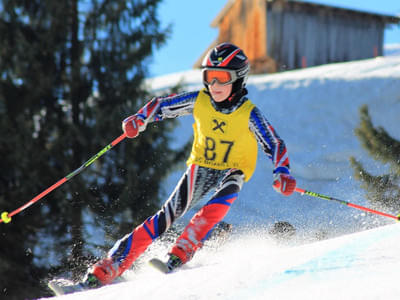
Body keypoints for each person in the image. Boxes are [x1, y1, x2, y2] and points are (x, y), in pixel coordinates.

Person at [50, 42, 296, 294]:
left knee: (216, 207)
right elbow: (161, 105)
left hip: (234, 169)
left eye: (222, 78)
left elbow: (274, 142)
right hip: (201, 166)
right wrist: (140, 118)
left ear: (238, 79)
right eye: (209, 78)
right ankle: (105, 269)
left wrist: (282, 172)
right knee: (167, 215)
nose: (215, 86)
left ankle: (181, 251)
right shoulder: (200, 101)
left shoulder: (249, 113)